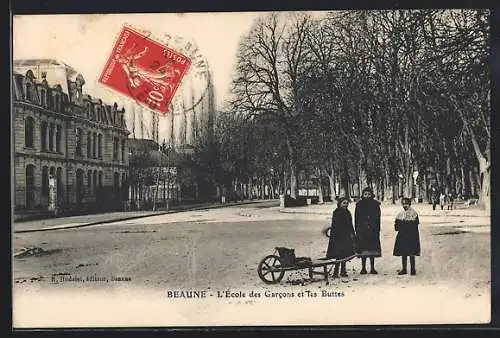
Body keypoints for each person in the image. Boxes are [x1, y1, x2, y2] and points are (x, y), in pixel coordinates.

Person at [326, 196, 356, 278]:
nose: (345, 205)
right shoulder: (336, 212)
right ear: (339, 204)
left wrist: (352, 234)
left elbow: (350, 225)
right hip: (338, 237)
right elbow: (335, 225)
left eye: (347, 203)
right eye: (344, 203)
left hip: (346, 237)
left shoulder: (348, 212)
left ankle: (343, 271)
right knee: (338, 255)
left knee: (345, 255)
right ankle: (336, 272)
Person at [355, 187, 381, 274]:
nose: (367, 196)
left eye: (369, 194)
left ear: (372, 195)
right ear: (362, 195)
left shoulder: (375, 205)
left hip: (373, 231)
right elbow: (356, 219)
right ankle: (363, 268)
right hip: (362, 231)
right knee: (363, 250)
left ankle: (372, 268)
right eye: (365, 194)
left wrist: (376, 229)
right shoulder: (359, 205)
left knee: (372, 250)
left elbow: (378, 218)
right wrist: (358, 229)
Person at [393, 197, 421, 275]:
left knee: (411, 253)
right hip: (402, 236)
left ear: (409, 204)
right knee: (403, 253)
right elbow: (396, 226)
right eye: (403, 204)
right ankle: (404, 269)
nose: (405, 206)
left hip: (411, 236)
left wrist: (404, 224)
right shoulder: (400, 214)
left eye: (406, 204)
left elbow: (415, 225)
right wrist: (399, 225)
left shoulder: (414, 214)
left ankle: (413, 269)